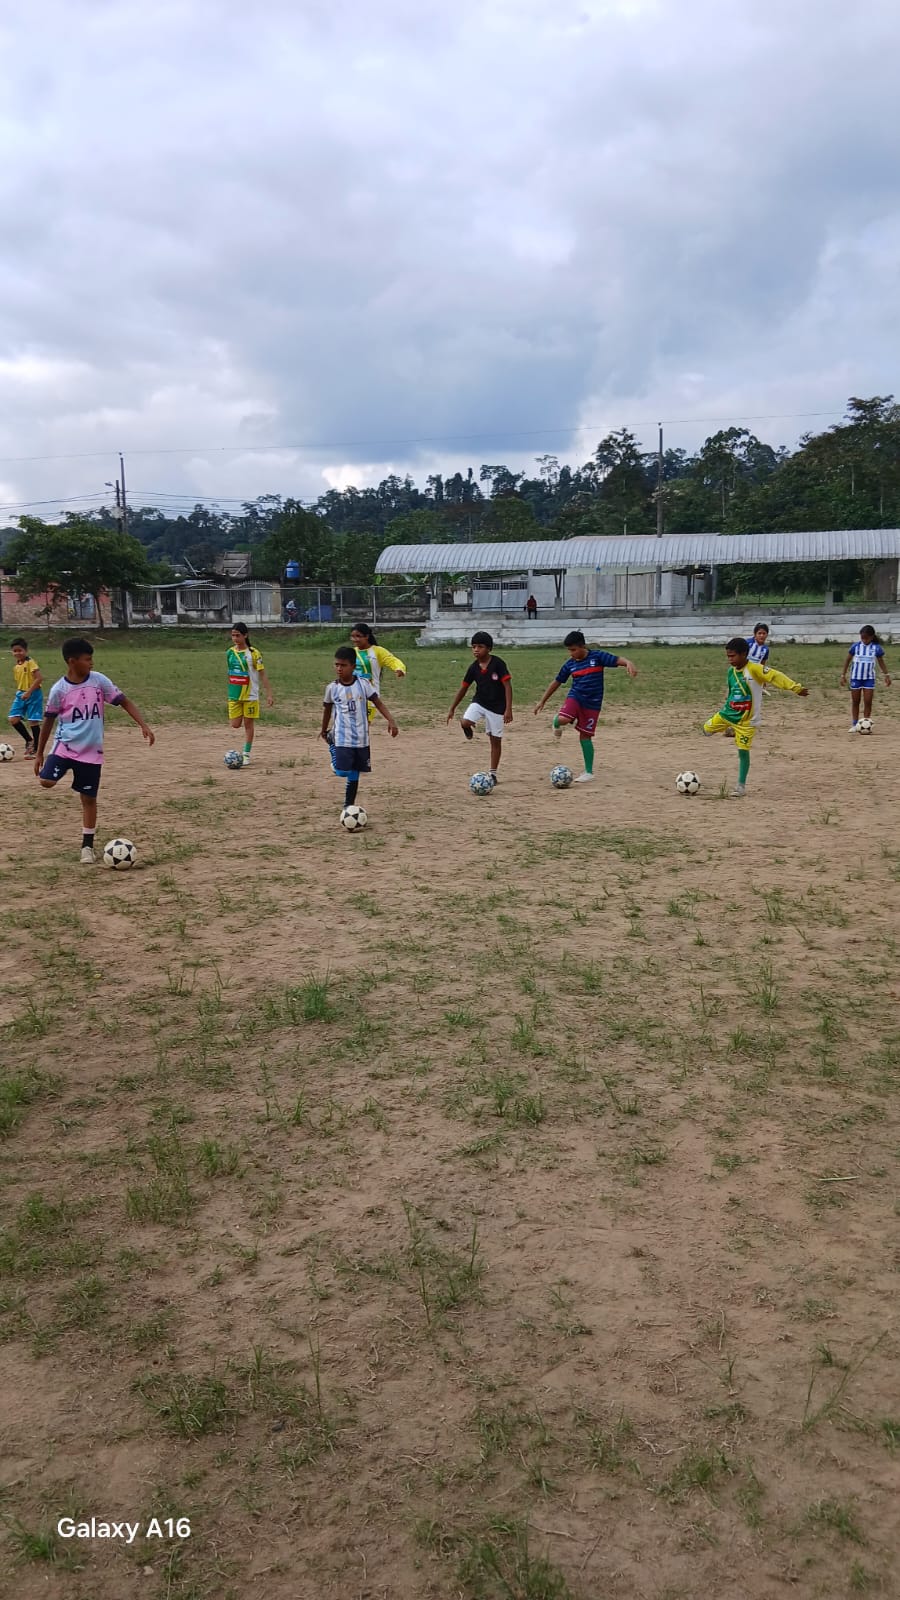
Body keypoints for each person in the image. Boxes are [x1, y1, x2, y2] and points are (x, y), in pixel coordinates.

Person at [33, 637, 155, 864]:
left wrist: (143, 725)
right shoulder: (59, 690)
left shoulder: (98, 681)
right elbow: (48, 721)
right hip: (64, 747)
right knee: (46, 781)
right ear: (72, 661)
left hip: (91, 753)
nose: (91, 663)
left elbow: (125, 701)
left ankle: (87, 847)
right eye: (87, 659)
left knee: (89, 799)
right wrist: (40, 753)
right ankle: (65, 769)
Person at [703, 637, 808, 796]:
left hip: (747, 722)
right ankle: (727, 728)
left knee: (743, 751)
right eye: (728, 656)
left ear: (744, 654)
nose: (730, 659)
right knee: (706, 730)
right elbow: (731, 692)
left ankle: (740, 786)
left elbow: (775, 676)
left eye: (733, 656)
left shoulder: (755, 669)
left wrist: (795, 688)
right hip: (727, 715)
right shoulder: (731, 671)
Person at [533, 630, 637, 783]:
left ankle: (588, 772)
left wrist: (628, 663)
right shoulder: (570, 664)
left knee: (585, 736)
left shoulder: (597, 657)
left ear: (582, 646)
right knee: (563, 719)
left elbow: (617, 660)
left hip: (593, 704)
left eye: (573, 649)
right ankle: (556, 721)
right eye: (569, 650)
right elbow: (557, 682)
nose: (571, 653)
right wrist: (542, 701)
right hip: (575, 697)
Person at [322, 645, 398, 811]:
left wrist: (391, 720)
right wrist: (324, 730)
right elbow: (327, 709)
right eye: (337, 665)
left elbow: (378, 703)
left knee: (355, 773)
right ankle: (333, 748)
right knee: (342, 771)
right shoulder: (332, 688)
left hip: (361, 738)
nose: (339, 668)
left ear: (353, 666)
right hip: (341, 737)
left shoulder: (363, 685)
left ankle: (348, 806)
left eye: (343, 665)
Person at [446, 631, 512, 783]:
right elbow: (464, 688)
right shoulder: (473, 668)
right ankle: (467, 728)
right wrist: (452, 708)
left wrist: (508, 709)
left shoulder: (498, 664)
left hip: (497, 707)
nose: (476, 650)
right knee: (464, 721)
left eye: (480, 646)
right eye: (473, 646)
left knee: (495, 741)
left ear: (489, 649)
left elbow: (507, 686)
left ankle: (493, 773)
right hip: (480, 702)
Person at [227, 623, 274, 765]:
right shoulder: (229, 652)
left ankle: (246, 754)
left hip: (250, 696)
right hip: (234, 695)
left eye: (238, 635)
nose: (235, 638)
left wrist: (269, 693)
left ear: (245, 635)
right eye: (233, 635)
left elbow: (262, 674)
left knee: (248, 724)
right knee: (235, 724)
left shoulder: (254, 653)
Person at [349, 623, 406, 723]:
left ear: (367, 636)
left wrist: (399, 669)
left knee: (363, 726)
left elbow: (391, 660)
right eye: (352, 636)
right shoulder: (351, 652)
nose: (355, 639)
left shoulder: (377, 651)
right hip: (352, 696)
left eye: (358, 636)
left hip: (370, 697)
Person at [840, 625, 891, 731]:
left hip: (869, 678)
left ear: (872, 637)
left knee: (868, 701)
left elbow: (881, 662)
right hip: (856, 678)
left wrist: (887, 675)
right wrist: (843, 675)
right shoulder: (855, 647)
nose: (864, 640)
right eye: (862, 638)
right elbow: (847, 660)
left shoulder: (876, 648)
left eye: (866, 638)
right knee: (856, 701)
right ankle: (855, 724)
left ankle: (866, 723)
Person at [8, 637, 43, 757]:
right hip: (21, 694)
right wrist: (22, 692)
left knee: (33, 721)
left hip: (33, 694)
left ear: (26, 651)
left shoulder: (30, 662)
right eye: (15, 651)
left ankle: (36, 748)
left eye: (20, 650)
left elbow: (39, 678)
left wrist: (29, 692)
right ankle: (29, 740)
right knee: (13, 719)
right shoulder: (16, 666)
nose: (17, 653)